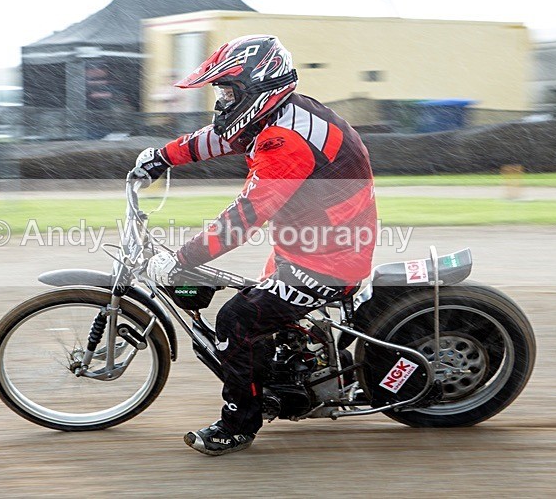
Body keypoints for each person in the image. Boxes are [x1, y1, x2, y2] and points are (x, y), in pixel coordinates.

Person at [130, 35, 377, 456]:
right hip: (310, 243)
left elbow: (243, 217)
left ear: (258, 86)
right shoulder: (280, 114)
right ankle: (298, 371)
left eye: (229, 91)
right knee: (262, 311)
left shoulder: (285, 140)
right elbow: (221, 137)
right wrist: (162, 156)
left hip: (330, 259)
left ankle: (238, 425)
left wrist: (181, 259)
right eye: (221, 92)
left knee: (236, 320)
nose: (222, 102)